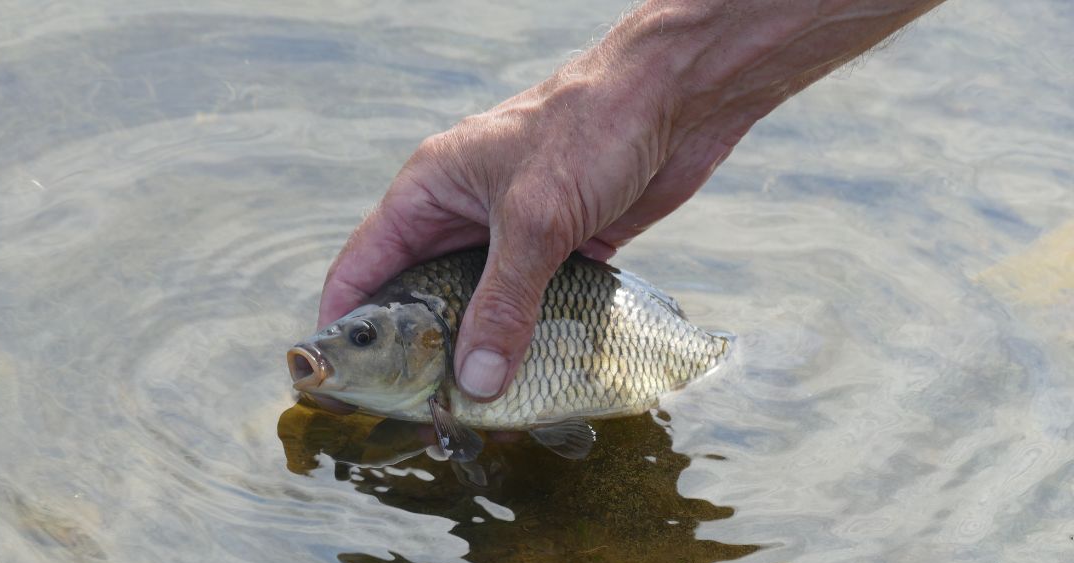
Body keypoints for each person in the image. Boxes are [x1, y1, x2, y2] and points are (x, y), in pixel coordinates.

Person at [318, 0, 945, 403]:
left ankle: (734, 367)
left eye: (367, 336)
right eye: (359, 336)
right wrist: (662, 79)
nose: (344, 342)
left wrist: (658, 76)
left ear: (426, 341)